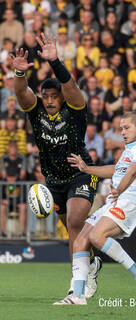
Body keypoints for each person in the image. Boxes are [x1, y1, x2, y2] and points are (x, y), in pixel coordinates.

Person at [8, 34, 101, 297]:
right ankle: (91, 264)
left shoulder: (75, 109)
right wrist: (18, 72)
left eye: (53, 96)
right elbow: (21, 92)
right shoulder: (36, 111)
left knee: (74, 221)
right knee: (75, 230)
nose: (49, 100)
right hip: (54, 180)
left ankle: (76, 285)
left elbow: (70, 86)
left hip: (81, 173)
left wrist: (56, 62)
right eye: (45, 96)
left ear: (61, 98)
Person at [55, 111, 136, 305]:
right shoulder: (128, 149)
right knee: (80, 241)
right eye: (121, 128)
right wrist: (86, 168)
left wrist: (119, 190)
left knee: (96, 237)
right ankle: (78, 295)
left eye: (127, 128)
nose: (123, 132)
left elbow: (133, 171)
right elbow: (116, 169)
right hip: (114, 201)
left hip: (128, 201)